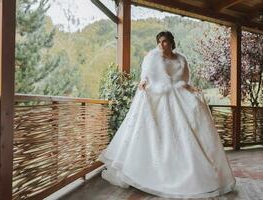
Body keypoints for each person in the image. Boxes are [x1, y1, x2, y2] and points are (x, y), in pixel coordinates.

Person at [99, 31, 236, 198]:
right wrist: (143, 82)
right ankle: (150, 173)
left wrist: (192, 89)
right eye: (159, 42)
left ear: (171, 43)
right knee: (159, 136)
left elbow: (184, 82)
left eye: (164, 42)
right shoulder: (152, 57)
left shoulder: (181, 59)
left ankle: (189, 174)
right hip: (159, 98)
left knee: (187, 129)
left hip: (177, 97)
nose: (161, 45)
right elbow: (146, 76)